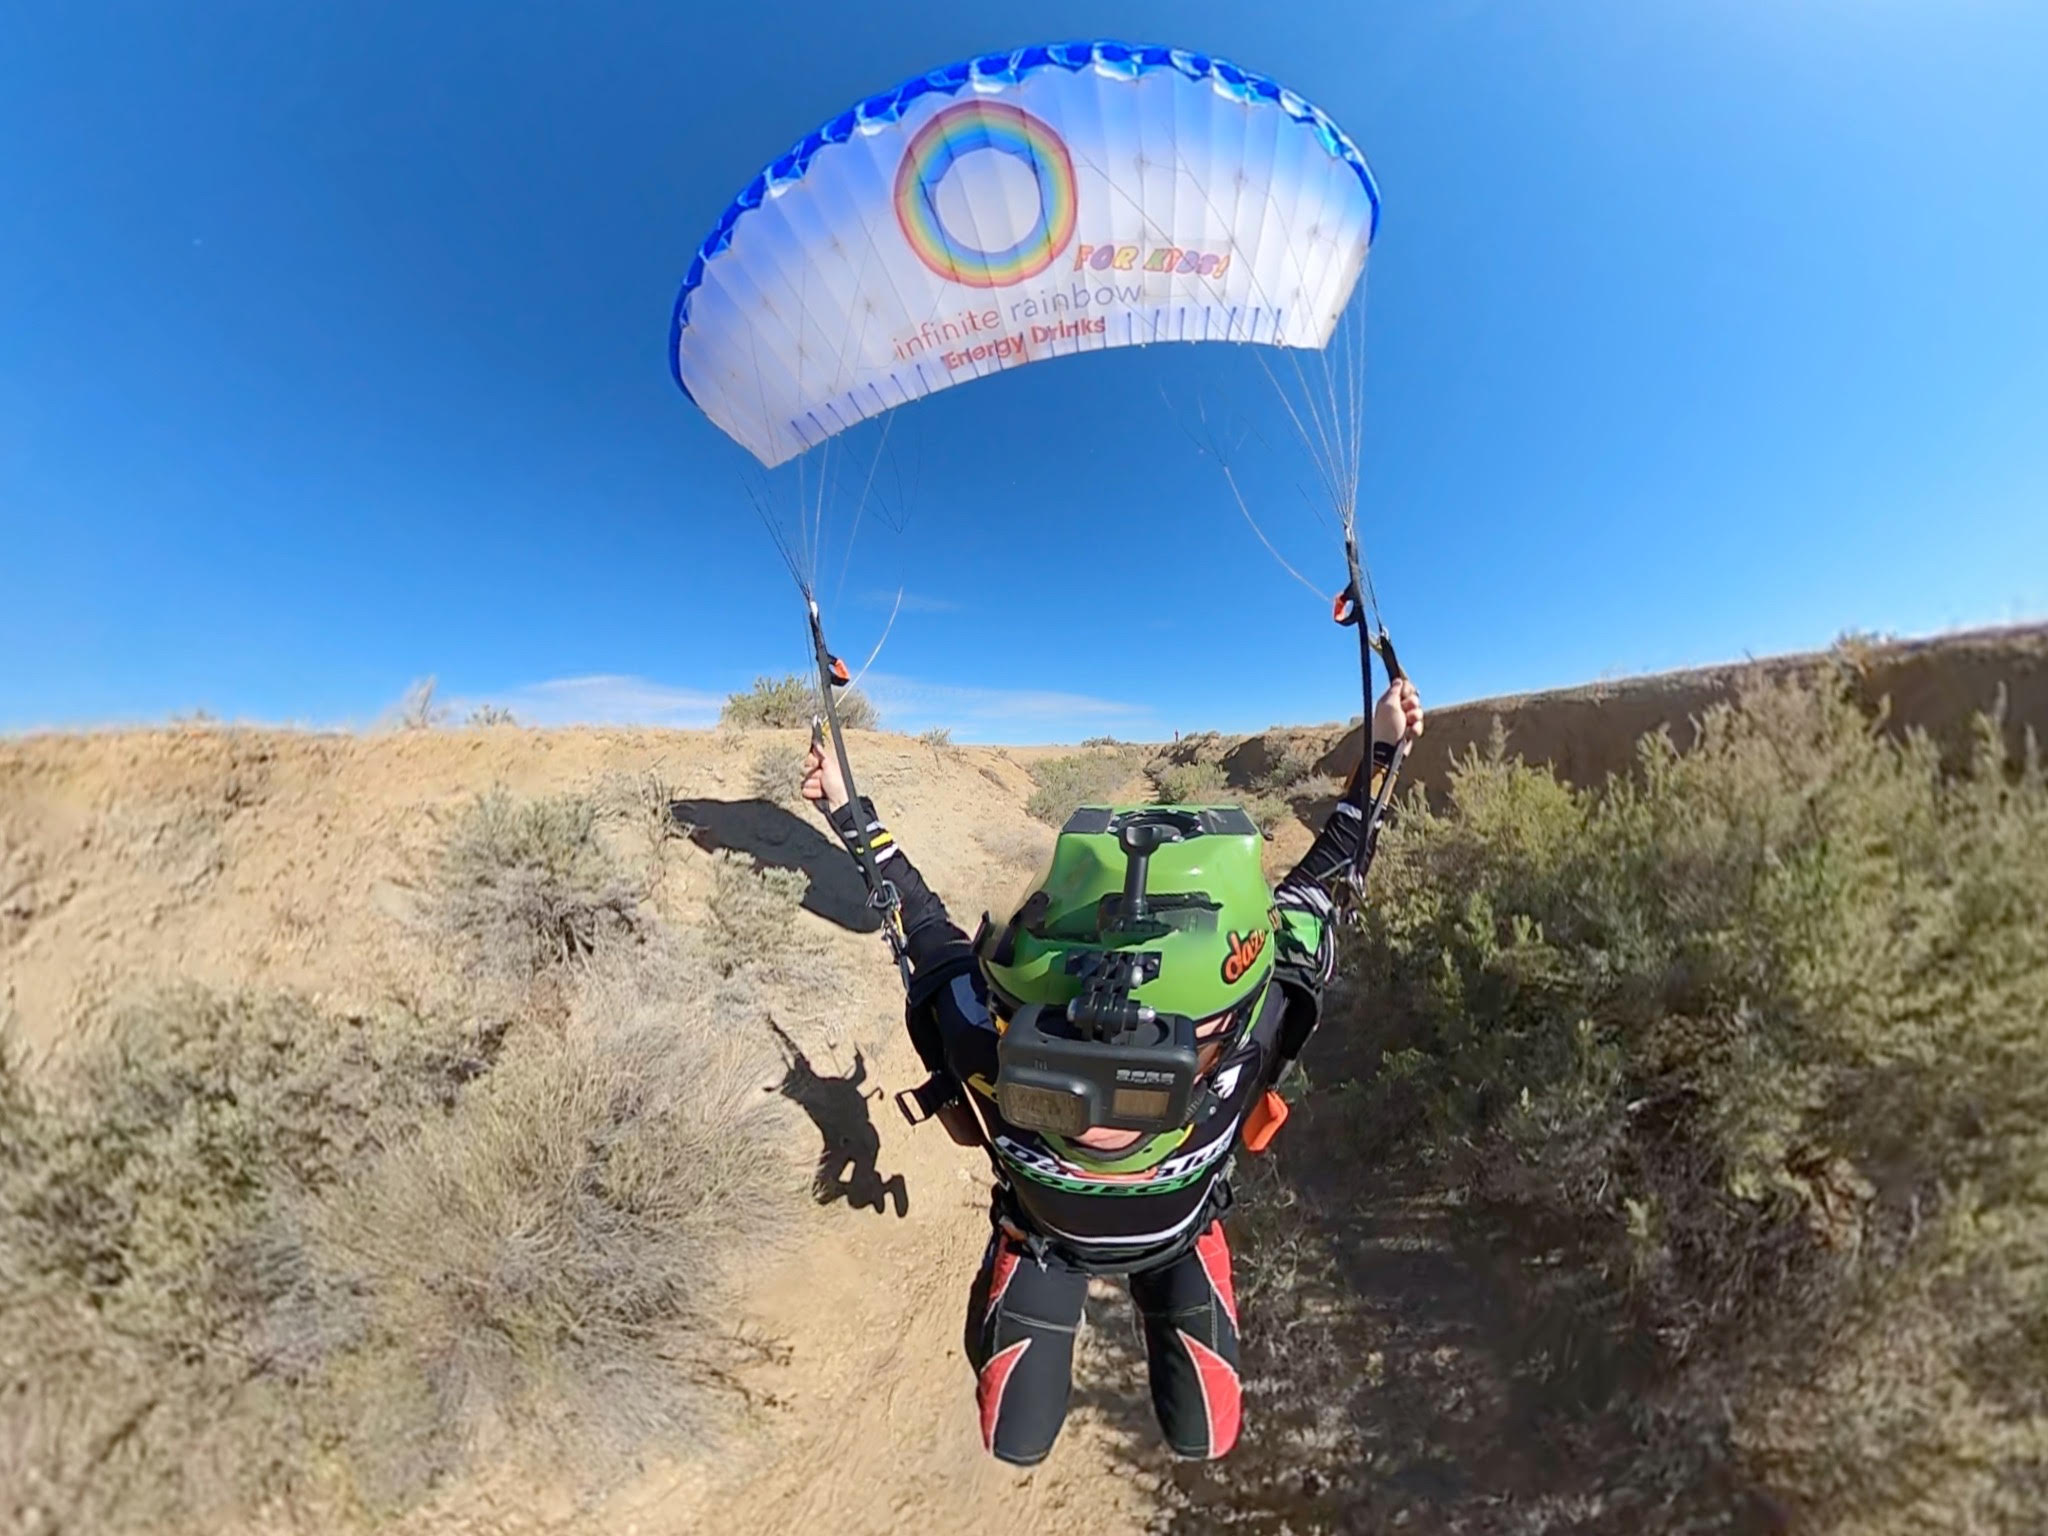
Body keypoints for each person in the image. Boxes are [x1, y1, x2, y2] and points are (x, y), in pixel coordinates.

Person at [799, 680, 1424, 1466]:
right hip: (1170, 1239)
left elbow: (921, 922)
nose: (1097, 1098)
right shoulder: (1259, 1024)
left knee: (1033, 1437)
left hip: (1049, 1241)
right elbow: (1324, 883)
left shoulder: (980, 1035)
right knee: (1188, 1434)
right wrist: (1381, 753)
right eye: (1065, 1053)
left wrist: (848, 808)